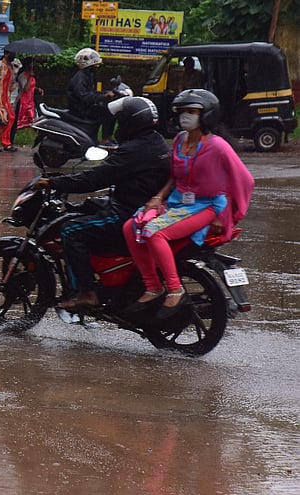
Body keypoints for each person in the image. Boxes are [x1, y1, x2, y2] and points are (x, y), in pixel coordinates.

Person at [121, 89, 254, 318]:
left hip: (207, 206)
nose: (185, 116)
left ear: (206, 115)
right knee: (130, 226)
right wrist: (158, 198)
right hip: (176, 203)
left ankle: (175, 289)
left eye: (192, 111)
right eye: (182, 111)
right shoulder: (180, 140)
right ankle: (153, 285)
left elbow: (244, 180)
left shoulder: (218, 146)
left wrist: (227, 216)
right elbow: (175, 177)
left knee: (154, 232)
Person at [32, 97, 170, 309]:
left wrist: (54, 182)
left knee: (71, 230)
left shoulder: (133, 150)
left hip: (127, 212)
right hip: (144, 207)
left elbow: (95, 179)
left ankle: (86, 292)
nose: (117, 126)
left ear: (130, 122)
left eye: (120, 121)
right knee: (90, 208)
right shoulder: (155, 141)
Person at [67, 48, 116, 147]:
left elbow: (91, 92)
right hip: (80, 109)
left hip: (84, 106)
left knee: (110, 109)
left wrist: (105, 93)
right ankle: (105, 140)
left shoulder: (87, 75)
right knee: (107, 112)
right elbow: (85, 96)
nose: (96, 67)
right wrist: (104, 96)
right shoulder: (80, 77)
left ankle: (108, 138)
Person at [15, 57, 42, 130]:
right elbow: (26, 89)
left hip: (30, 100)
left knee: (32, 118)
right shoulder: (23, 76)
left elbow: (32, 86)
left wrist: (37, 89)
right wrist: (30, 77)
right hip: (23, 101)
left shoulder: (32, 75)